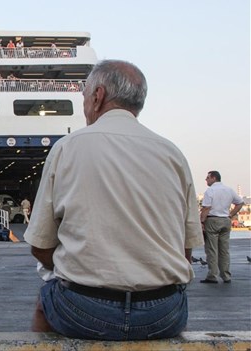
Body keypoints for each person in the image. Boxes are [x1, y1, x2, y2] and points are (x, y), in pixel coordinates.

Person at [24, 60, 203, 340]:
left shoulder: (67, 148)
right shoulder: (172, 154)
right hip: (163, 312)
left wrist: (72, 268)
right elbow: (186, 252)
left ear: (98, 96)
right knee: (174, 317)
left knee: (43, 303)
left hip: (84, 308)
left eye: (84, 96)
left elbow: (39, 246)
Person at [199, 171, 244, 284]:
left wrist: (201, 222)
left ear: (214, 178)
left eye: (207, 178)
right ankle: (226, 275)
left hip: (213, 220)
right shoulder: (229, 190)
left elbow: (206, 208)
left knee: (212, 249)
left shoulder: (210, 191)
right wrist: (231, 214)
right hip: (225, 220)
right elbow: (240, 202)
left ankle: (212, 275)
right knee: (224, 250)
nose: (206, 180)